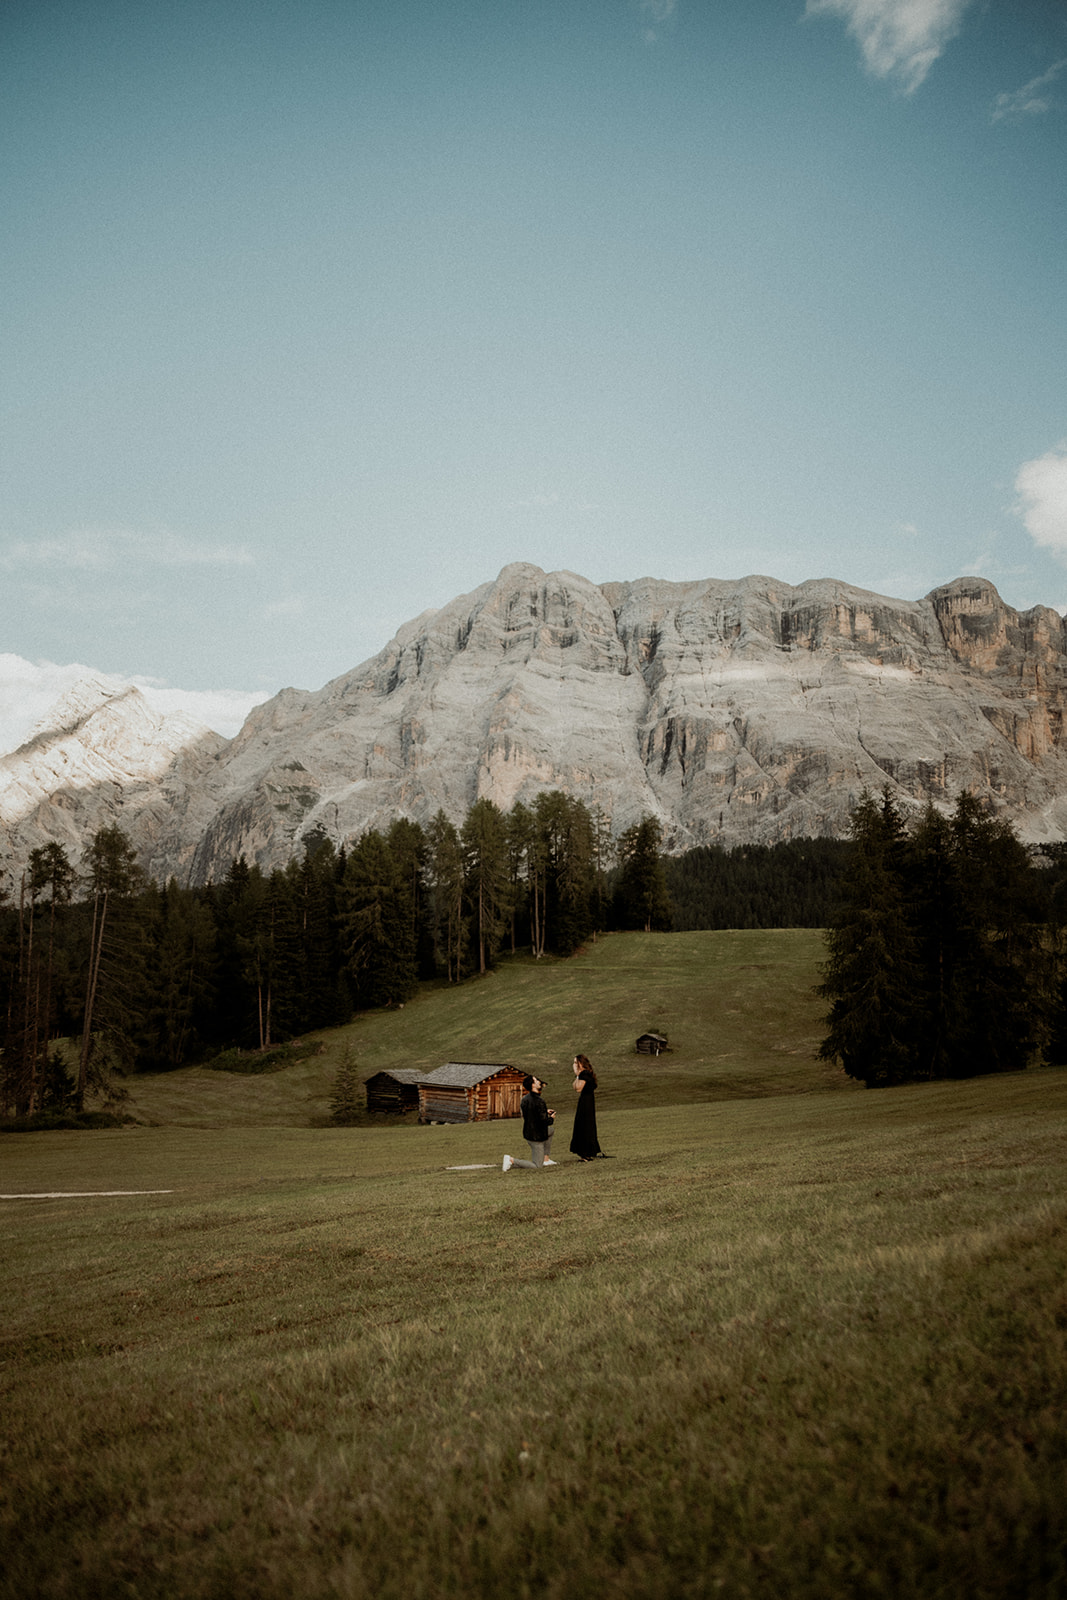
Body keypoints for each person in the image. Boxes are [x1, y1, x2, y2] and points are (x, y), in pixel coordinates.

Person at [502, 1076, 557, 1171]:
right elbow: (544, 1122)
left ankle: (546, 1159)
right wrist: (551, 1118)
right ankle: (511, 1160)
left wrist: (544, 1111)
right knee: (537, 1166)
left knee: (550, 1131)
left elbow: (531, 1114)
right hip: (536, 1137)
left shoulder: (525, 1099)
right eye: (536, 1081)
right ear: (533, 1085)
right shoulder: (540, 1101)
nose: (539, 1082)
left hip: (529, 1133)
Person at [569, 1053, 602, 1161]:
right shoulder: (584, 1074)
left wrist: (578, 1074)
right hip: (587, 1100)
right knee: (585, 1124)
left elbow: (578, 1088)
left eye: (575, 1062)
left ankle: (585, 1151)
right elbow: (574, 1086)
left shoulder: (585, 1074)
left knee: (584, 1124)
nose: (573, 1065)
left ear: (580, 1063)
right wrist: (577, 1075)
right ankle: (587, 1151)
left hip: (586, 1101)